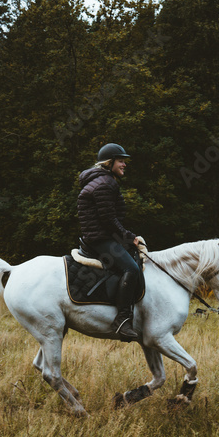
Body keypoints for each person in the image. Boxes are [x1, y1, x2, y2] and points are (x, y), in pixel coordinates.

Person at [77, 143, 142, 342]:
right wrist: (129, 236)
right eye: (121, 161)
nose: (124, 164)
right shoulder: (105, 183)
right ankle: (122, 321)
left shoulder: (101, 181)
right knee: (131, 269)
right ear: (110, 162)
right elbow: (108, 219)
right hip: (101, 239)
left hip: (101, 236)